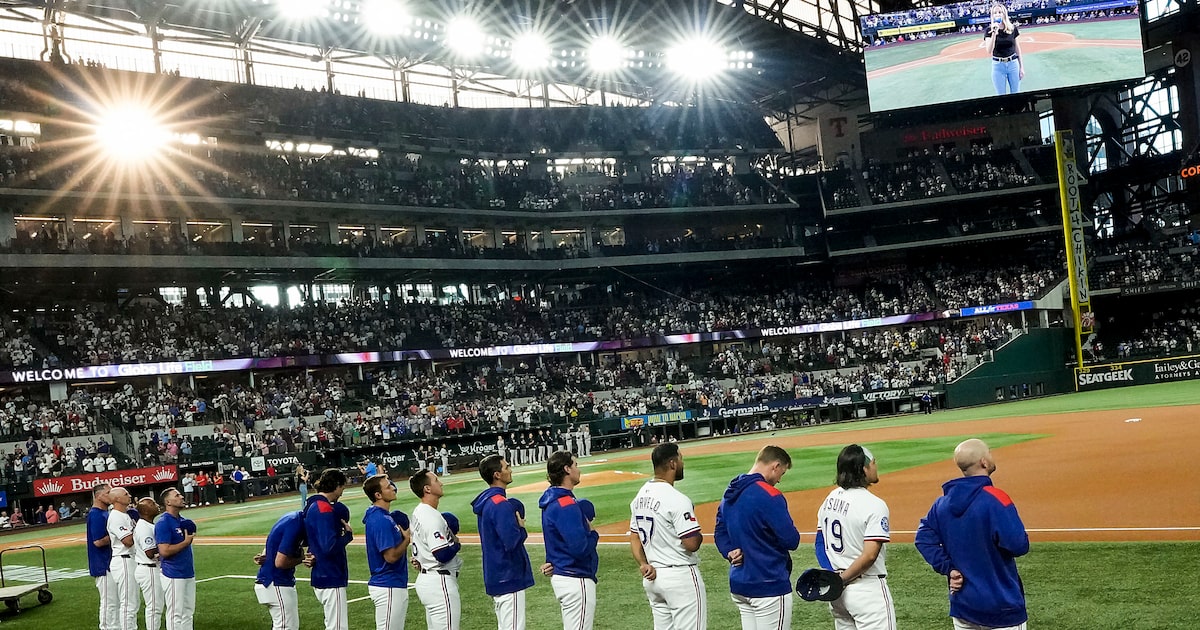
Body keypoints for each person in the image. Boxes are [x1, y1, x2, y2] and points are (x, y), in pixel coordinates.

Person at [915, 438, 1030, 630]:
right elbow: (1019, 545)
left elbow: (923, 539)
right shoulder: (996, 500)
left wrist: (948, 568)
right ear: (983, 462)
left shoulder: (941, 504)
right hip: (1001, 607)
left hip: (963, 606)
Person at [714, 445, 800, 630]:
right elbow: (791, 540)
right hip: (768, 584)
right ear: (775, 466)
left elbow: (720, 532)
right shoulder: (769, 495)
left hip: (740, 585)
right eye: (781, 474)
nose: (779, 480)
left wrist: (729, 552)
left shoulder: (729, 494)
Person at [815, 444, 895, 630]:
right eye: (873, 462)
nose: (876, 466)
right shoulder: (874, 505)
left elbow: (820, 543)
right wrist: (842, 580)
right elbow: (869, 556)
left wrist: (835, 578)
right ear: (863, 468)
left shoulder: (830, 498)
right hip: (866, 591)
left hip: (838, 596)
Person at [629, 443, 706, 630]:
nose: (682, 463)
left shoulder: (639, 496)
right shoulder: (677, 499)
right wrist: (698, 535)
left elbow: (634, 537)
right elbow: (691, 544)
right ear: (672, 463)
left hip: (654, 578)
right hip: (680, 578)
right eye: (681, 459)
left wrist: (643, 564)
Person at [471, 455, 534, 630]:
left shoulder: (487, 502)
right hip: (509, 574)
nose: (510, 469)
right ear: (497, 475)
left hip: (497, 574)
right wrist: (521, 528)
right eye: (506, 467)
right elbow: (511, 542)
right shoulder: (500, 503)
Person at [539, 451, 600, 630]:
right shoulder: (566, 503)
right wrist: (594, 535)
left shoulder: (551, 500)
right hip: (576, 578)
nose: (578, 470)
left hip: (564, 575)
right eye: (575, 465)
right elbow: (579, 549)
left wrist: (554, 562)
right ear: (567, 469)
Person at [409, 469, 463, 630]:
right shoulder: (431, 517)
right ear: (427, 489)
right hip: (439, 583)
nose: (441, 483)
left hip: (427, 579)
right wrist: (457, 545)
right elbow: (442, 554)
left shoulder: (418, 511)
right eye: (436, 480)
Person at [305, 468, 353, 630]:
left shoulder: (313, 506)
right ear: (337, 486)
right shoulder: (324, 508)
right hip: (331, 574)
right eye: (342, 487)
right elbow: (329, 546)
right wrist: (347, 536)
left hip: (322, 573)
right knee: (337, 627)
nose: (342, 492)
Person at [362, 474, 412, 630]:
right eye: (388, 486)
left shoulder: (382, 516)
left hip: (391, 584)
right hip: (388, 585)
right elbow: (390, 557)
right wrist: (406, 540)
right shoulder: (380, 520)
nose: (393, 488)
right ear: (378, 495)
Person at [254, 510, 312, 630]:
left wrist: (267, 555)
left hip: (269, 582)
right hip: (276, 582)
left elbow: (272, 541)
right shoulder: (295, 524)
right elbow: (280, 563)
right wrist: (301, 559)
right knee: (287, 627)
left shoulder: (291, 518)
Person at [156, 487, 197, 630]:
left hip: (187, 572)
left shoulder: (184, 521)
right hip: (173, 573)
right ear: (168, 502)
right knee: (175, 613)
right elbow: (164, 551)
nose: (181, 497)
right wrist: (185, 542)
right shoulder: (163, 522)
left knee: (188, 612)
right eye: (177, 495)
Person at [107, 486, 140, 630]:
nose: (130, 495)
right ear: (117, 499)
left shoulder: (125, 515)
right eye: (126, 494)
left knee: (134, 602)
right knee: (128, 603)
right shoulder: (115, 516)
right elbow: (128, 541)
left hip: (130, 559)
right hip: (124, 559)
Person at [88, 483, 119, 630]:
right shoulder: (96, 514)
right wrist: (116, 534)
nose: (112, 495)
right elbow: (98, 541)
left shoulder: (105, 513)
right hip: (103, 564)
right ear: (99, 495)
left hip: (110, 563)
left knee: (116, 601)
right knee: (109, 601)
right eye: (108, 492)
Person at [133, 497, 164, 630]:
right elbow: (150, 553)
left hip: (150, 568)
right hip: (149, 569)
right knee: (154, 607)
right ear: (145, 510)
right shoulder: (144, 527)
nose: (156, 505)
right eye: (152, 504)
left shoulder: (148, 525)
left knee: (156, 606)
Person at [980, 3, 1023, 95]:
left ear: (1004, 14)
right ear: (992, 15)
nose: (998, 14)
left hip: (1013, 64)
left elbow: (1017, 49)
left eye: (1000, 12)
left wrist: (1021, 67)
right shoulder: (989, 30)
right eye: (995, 13)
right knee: (1001, 95)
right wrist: (994, 33)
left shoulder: (1012, 28)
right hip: (998, 66)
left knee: (1016, 94)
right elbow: (989, 50)